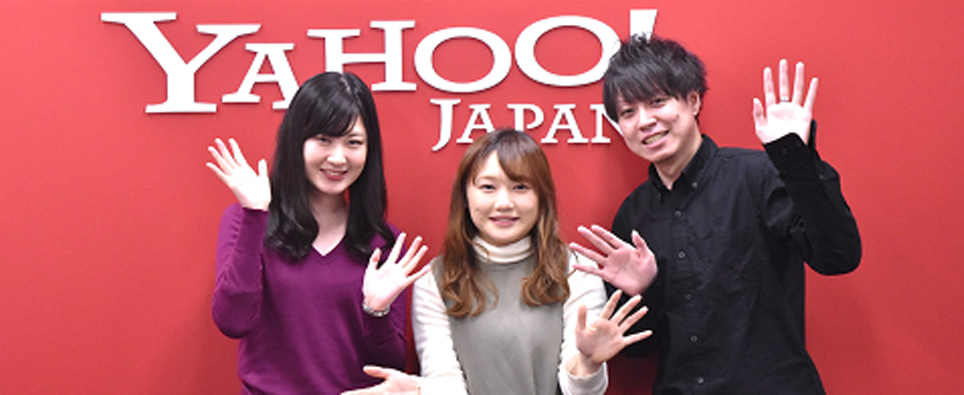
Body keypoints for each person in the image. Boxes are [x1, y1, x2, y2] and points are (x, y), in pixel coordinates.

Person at [569, 35, 862, 394]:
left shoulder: (758, 176)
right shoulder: (634, 213)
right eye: (628, 112)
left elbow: (838, 257)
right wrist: (643, 291)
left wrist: (795, 158)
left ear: (693, 101)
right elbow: (641, 349)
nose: (644, 121)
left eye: (657, 101)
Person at [344, 129, 652, 395]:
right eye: (488, 187)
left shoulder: (576, 269)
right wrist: (418, 390)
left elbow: (581, 391)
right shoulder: (436, 278)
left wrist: (588, 363)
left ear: (542, 197)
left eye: (520, 187)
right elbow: (447, 382)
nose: (504, 203)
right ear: (466, 197)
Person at [206, 71, 431, 394]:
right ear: (296, 140)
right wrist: (255, 215)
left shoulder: (385, 244)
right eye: (324, 140)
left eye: (353, 143)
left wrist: (376, 310)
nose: (338, 158)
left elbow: (389, 366)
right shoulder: (247, 221)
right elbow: (232, 321)